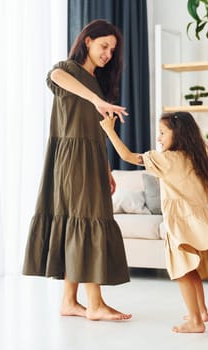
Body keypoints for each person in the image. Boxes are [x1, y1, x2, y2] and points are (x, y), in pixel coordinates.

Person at [22, 19, 131, 321]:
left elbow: (97, 131)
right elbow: (55, 75)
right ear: (87, 42)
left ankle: (69, 301)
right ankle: (95, 304)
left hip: (92, 157)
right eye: (103, 46)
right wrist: (97, 99)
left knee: (77, 222)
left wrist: (107, 168)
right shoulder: (68, 71)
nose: (108, 54)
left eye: (112, 49)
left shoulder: (97, 81)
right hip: (71, 158)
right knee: (86, 220)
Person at [100, 111, 208, 333]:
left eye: (163, 133)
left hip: (179, 222)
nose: (158, 138)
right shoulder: (198, 158)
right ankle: (201, 311)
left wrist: (109, 130)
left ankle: (195, 321)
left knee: (182, 270)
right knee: (192, 268)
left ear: (179, 133)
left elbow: (127, 156)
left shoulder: (167, 159)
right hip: (199, 218)